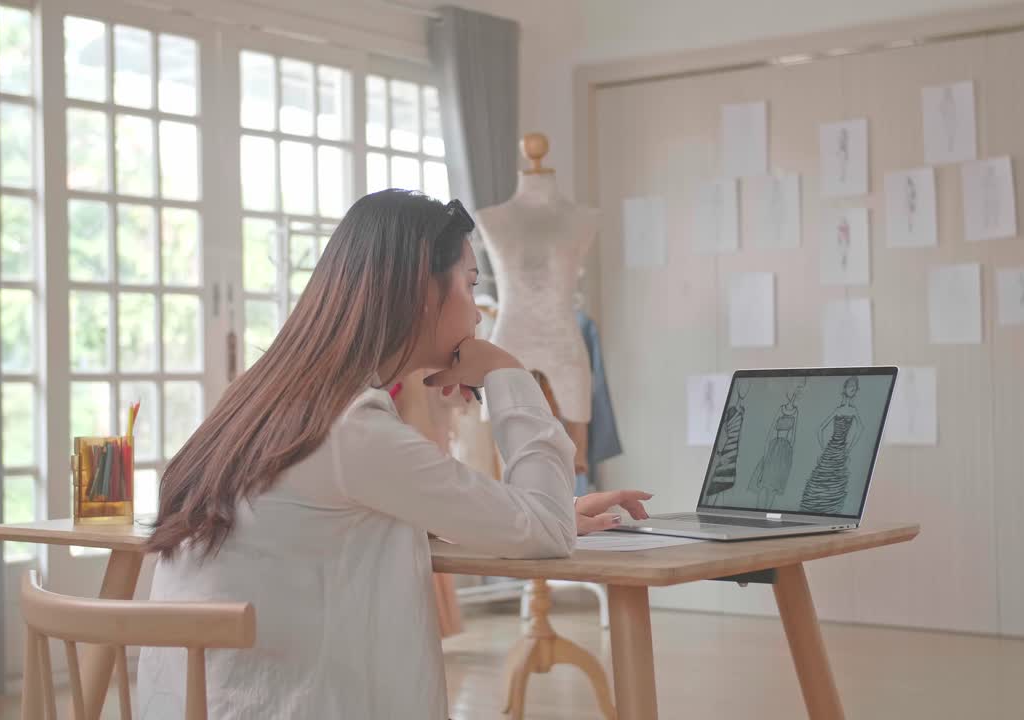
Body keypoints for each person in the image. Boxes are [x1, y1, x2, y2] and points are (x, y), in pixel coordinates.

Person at [135, 189, 650, 719]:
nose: (477, 315)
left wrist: (547, 514)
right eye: (470, 286)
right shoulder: (350, 427)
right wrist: (506, 371)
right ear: (422, 293)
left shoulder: (262, 403)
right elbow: (544, 532)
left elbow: (327, 524)